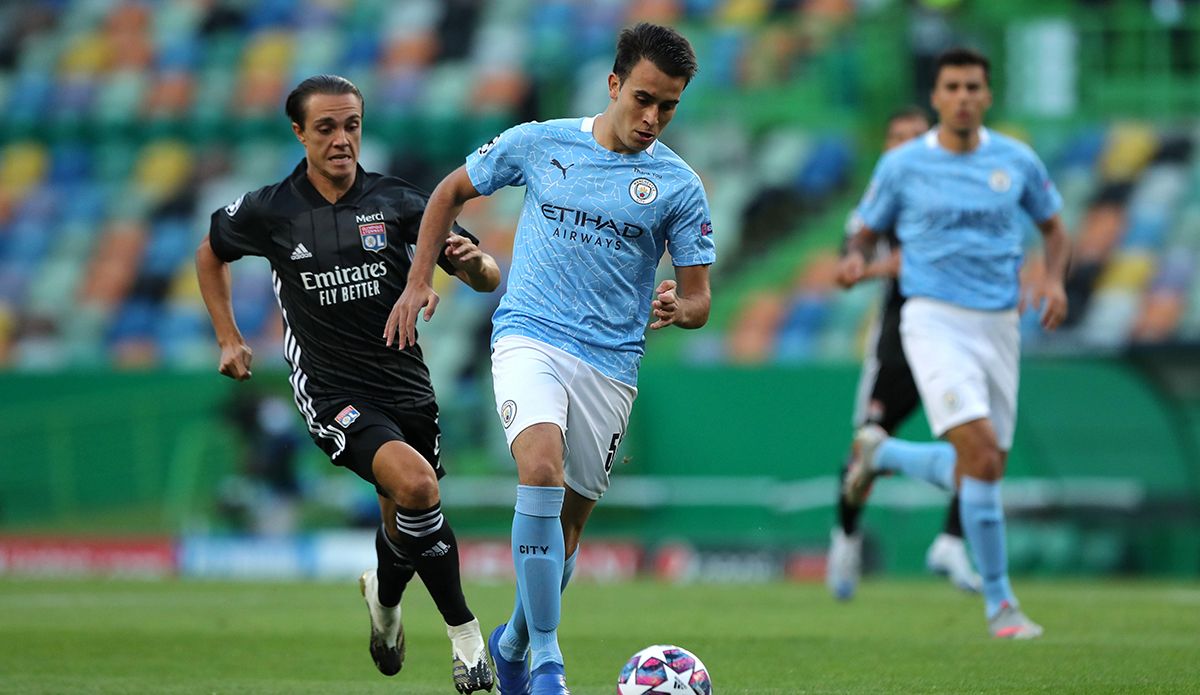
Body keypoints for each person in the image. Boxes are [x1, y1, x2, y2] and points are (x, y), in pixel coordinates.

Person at [386, 23, 715, 695]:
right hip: (529, 336)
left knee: (564, 535)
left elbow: (702, 298)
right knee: (539, 468)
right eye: (644, 98)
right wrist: (421, 279)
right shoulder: (540, 142)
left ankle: (510, 642)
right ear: (614, 84)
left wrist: (680, 306)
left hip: (611, 365)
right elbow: (448, 191)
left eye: (669, 106)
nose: (653, 117)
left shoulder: (679, 186)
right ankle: (545, 662)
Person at [195, 74, 499, 692]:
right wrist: (227, 336)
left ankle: (384, 602)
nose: (341, 139)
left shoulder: (398, 201)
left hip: (408, 386)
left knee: (403, 518)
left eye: (352, 125)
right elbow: (210, 253)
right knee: (418, 487)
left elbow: (486, 276)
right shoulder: (270, 209)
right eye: (327, 127)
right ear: (299, 132)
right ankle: (467, 638)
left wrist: (474, 264)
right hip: (333, 391)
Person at [837, 48, 1070, 639]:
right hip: (933, 320)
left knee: (987, 465)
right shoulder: (904, 165)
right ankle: (1001, 606)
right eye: (952, 87)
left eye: (973, 86)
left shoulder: (1015, 160)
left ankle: (880, 454)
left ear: (987, 96)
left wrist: (1054, 280)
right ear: (937, 97)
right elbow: (863, 230)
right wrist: (854, 261)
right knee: (982, 451)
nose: (963, 96)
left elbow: (1053, 225)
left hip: (999, 326)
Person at [827, 106, 983, 601]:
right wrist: (869, 263)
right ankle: (845, 537)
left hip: (953, 337)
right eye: (899, 137)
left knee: (976, 440)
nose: (908, 145)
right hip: (898, 343)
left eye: (918, 137)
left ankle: (953, 542)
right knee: (865, 444)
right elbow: (849, 257)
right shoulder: (880, 202)